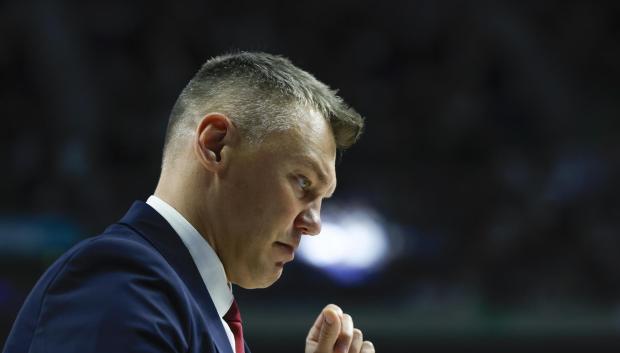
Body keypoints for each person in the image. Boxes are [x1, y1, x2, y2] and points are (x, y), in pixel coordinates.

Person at [3, 52, 374, 353]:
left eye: (322, 199)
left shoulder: (186, 306)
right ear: (215, 145)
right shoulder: (120, 280)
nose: (314, 223)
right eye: (303, 182)